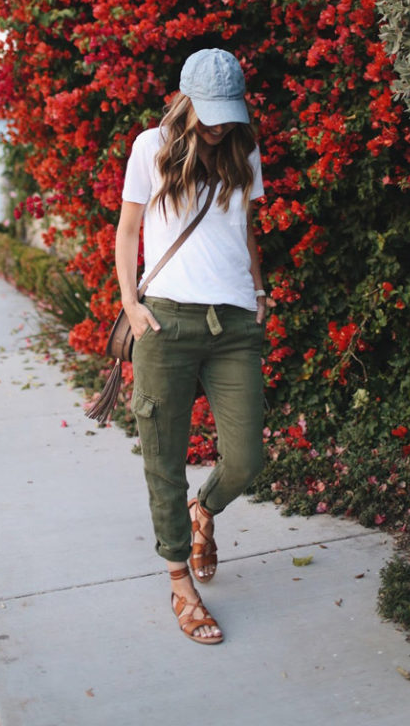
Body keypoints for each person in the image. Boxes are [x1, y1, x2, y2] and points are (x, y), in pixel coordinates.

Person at [115, 48, 267, 645]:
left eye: (229, 113)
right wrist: (131, 304)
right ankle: (181, 581)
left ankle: (204, 511)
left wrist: (257, 290)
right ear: (185, 101)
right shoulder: (149, 148)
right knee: (163, 459)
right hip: (166, 323)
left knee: (246, 459)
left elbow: (246, 229)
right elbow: (128, 230)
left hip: (233, 322)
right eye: (211, 112)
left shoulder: (245, 149)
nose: (221, 124)